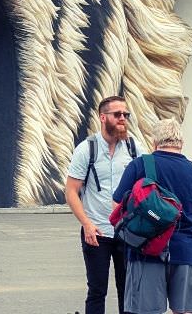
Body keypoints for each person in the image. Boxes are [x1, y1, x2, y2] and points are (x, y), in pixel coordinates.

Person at [112, 119, 192, 314]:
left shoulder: (139, 165)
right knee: (185, 311)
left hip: (146, 250)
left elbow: (117, 205)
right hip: (186, 252)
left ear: (154, 142)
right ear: (181, 143)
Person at [65, 96, 139, 314]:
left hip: (128, 232)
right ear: (103, 117)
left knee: (128, 291)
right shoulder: (86, 149)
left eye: (126, 115)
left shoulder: (135, 148)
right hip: (96, 232)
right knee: (97, 291)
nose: (123, 119)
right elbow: (71, 191)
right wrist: (86, 224)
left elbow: (148, 184)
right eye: (117, 115)